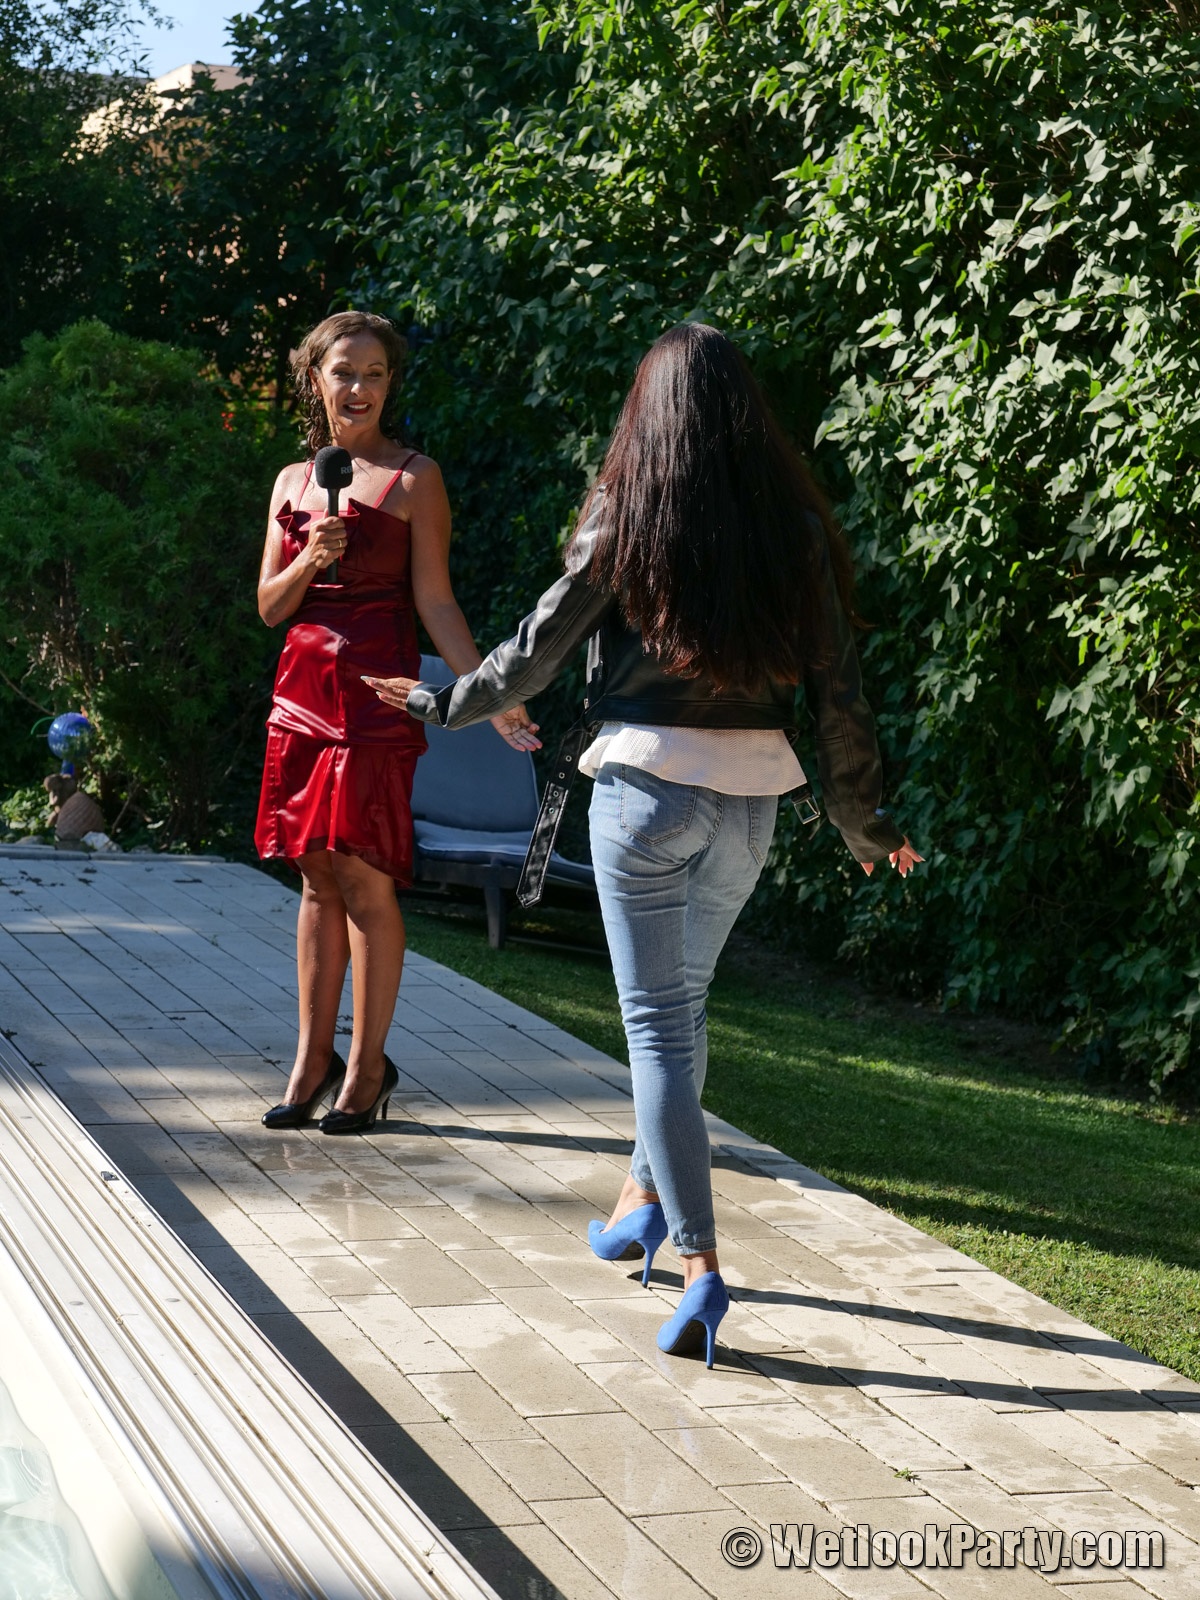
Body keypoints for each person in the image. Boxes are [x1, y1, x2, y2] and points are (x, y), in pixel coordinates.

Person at [368, 322, 921, 1360]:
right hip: (750, 804)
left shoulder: (627, 511)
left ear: (649, 410)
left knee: (661, 1030)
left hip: (643, 791)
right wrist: (864, 823)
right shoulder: (795, 529)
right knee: (684, 1012)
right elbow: (840, 693)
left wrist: (445, 702)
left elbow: (538, 648)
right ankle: (637, 1204)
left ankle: (702, 1268)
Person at [254, 310, 538, 1135]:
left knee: (364, 876)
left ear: (389, 385)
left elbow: (436, 602)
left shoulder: (416, 478)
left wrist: (489, 691)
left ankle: (368, 1068)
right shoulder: (291, 481)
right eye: (344, 372)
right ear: (315, 379)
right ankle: (311, 1061)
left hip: (376, 696)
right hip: (300, 695)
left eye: (375, 374)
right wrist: (313, 556)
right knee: (315, 875)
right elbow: (269, 608)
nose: (359, 388)